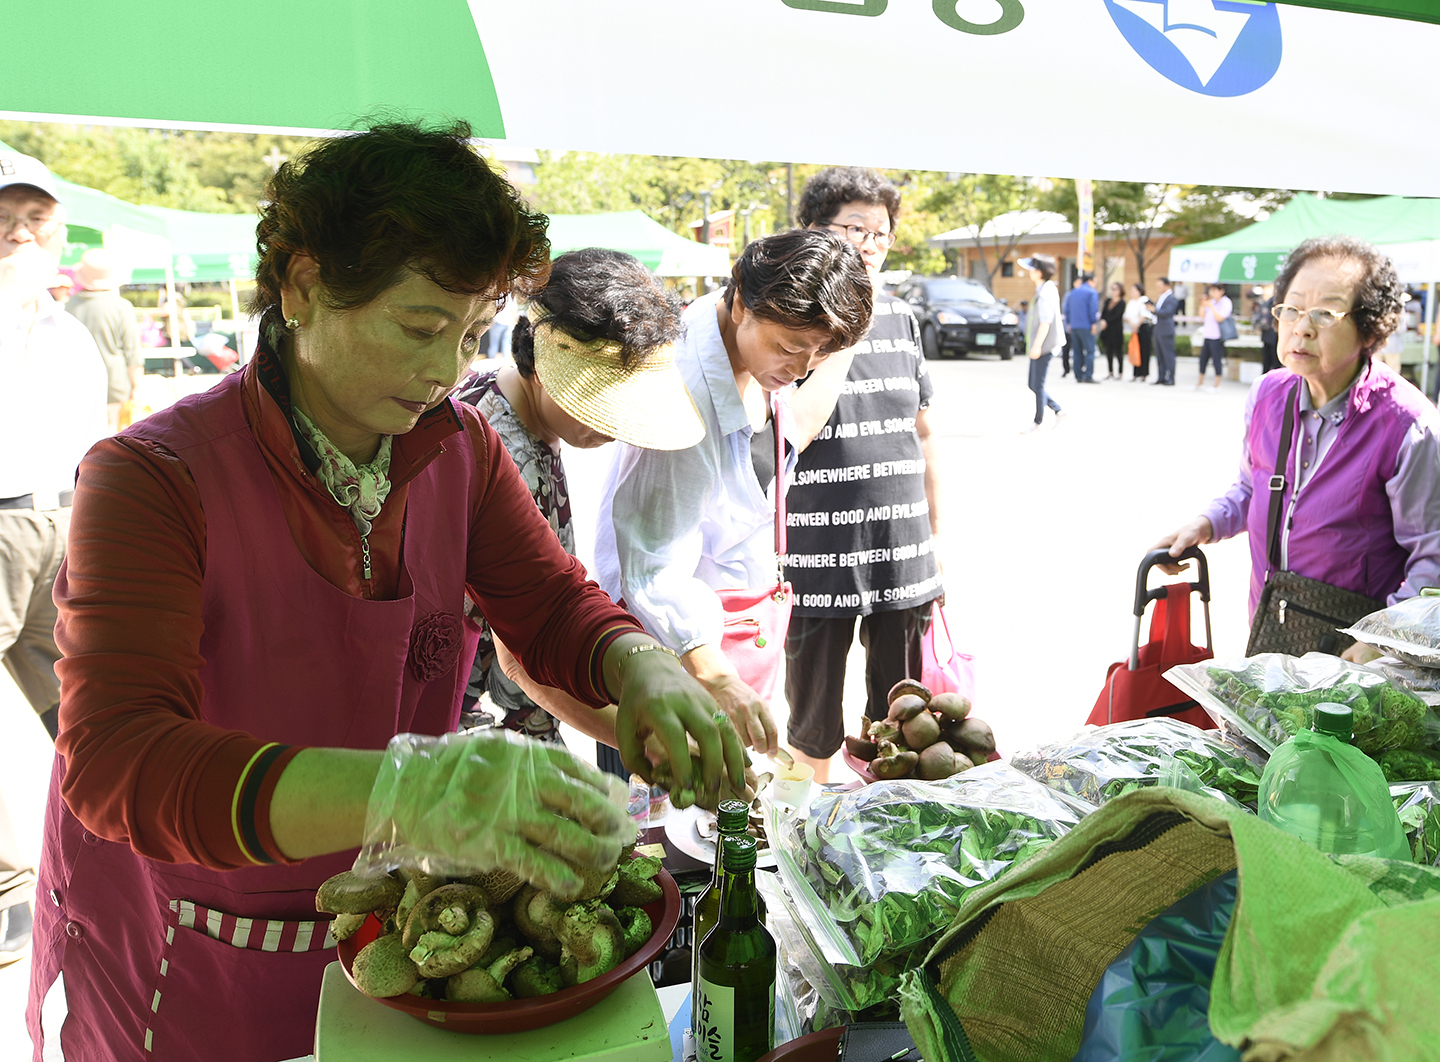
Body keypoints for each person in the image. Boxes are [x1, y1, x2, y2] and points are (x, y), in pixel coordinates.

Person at [25, 122, 745, 1062]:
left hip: (391, 935)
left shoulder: (459, 449)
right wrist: (412, 788)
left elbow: (551, 602)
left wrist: (640, 663)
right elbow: (119, 760)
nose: (446, 369)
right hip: (183, 945)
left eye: (469, 332)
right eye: (418, 327)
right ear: (302, 286)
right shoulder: (151, 477)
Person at [596, 229, 873, 759]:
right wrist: (717, 677)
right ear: (742, 301)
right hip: (671, 660)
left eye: (816, 354)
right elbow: (650, 566)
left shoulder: (746, 344)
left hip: (728, 637)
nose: (798, 371)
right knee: (669, 832)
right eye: (789, 349)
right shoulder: (685, 395)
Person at [450, 247, 704, 766]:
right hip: (478, 721)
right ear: (543, 367)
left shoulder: (505, 401)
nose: (613, 427)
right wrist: (651, 747)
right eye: (602, 404)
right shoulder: (500, 451)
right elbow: (521, 657)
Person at [1155, 236, 1440, 661]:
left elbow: (1432, 558)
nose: (1302, 327)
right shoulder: (1268, 394)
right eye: (1292, 308)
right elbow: (1252, 489)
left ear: (1369, 326)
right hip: (1273, 625)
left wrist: (1383, 641)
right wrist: (1205, 524)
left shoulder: (1409, 426)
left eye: (1325, 312)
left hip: (1358, 653)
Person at [781, 167, 944, 782]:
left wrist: (936, 543)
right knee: (812, 717)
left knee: (902, 723)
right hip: (819, 553)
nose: (872, 245)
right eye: (857, 229)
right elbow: (788, 428)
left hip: (903, 551)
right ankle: (808, 833)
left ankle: (883, 834)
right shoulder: (794, 319)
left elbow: (923, 432)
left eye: (882, 233)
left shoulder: (902, 319)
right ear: (815, 232)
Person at [0, 150, 108, 969]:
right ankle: (10, 890)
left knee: (82, 706)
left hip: (68, 521)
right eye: (4, 220)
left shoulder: (71, 330)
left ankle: (94, 858)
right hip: (2, 522)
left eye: (34, 219)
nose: (20, 236)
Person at [66, 249, 142, 431]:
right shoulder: (121, 306)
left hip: (77, 380)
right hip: (115, 381)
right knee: (115, 435)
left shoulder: (67, 306)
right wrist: (137, 386)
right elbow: (132, 353)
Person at [1020, 254, 1065, 431]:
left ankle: (1038, 421)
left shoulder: (1045, 292)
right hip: (1043, 344)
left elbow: (1045, 321)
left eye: (1032, 269)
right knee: (1033, 383)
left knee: (1037, 384)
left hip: (1045, 345)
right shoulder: (1045, 288)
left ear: (1039, 272)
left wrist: (1037, 345)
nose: (1029, 272)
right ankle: (1058, 410)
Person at [1064, 271, 1100, 382]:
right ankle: (1088, 376)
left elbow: (1067, 310)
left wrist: (1069, 323)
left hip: (1074, 326)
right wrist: (1094, 323)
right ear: (1090, 280)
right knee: (1089, 351)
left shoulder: (1073, 292)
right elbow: (1093, 309)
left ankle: (1078, 375)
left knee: (1077, 352)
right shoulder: (1091, 292)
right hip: (1086, 326)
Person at [1197, 282, 1232, 390]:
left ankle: (1216, 385)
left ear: (1222, 291)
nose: (1213, 293)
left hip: (1217, 336)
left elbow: (1220, 318)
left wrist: (1211, 306)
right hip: (1207, 335)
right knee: (1203, 359)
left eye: (1215, 290)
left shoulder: (1225, 302)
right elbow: (1202, 315)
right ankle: (1199, 383)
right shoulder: (1211, 302)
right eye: (1211, 290)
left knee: (1216, 360)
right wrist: (1203, 304)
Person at [1124, 282, 1155, 382]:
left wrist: (1137, 325)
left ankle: (1144, 374)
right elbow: (1127, 315)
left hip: (1144, 327)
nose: (1132, 292)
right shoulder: (1131, 302)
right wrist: (1133, 325)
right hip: (1134, 328)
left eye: (1135, 290)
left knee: (1144, 350)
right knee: (1135, 350)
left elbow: (1145, 314)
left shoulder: (1144, 300)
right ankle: (1136, 373)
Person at [1151, 275, 1178, 385]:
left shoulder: (1172, 298)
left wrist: (1154, 310)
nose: (1158, 288)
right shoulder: (1161, 297)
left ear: (1167, 285)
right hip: (1158, 329)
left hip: (1166, 330)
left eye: (1159, 286)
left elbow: (1167, 313)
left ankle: (1170, 377)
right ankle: (1161, 376)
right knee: (1159, 355)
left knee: (1168, 355)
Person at [1099, 281, 1126, 379]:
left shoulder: (1122, 302)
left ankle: (1120, 372)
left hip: (1116, 330)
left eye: (1116, 289)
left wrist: (1106, 321)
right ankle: (1110, 371)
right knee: (1108, 351)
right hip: (1107, 331)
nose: (1113, 291)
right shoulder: (1108, 301)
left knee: (1118, 352)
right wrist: (1102, 320)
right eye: (1112, 289)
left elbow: (1117, 316)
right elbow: (1103, 313)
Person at [1256, 289, 1281, 373]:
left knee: (1267, 360)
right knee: (1274, 360)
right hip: (1274, 335)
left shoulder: (1269, 302)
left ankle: (1266, 379)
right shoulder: (1278, 301)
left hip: (1268, 334)